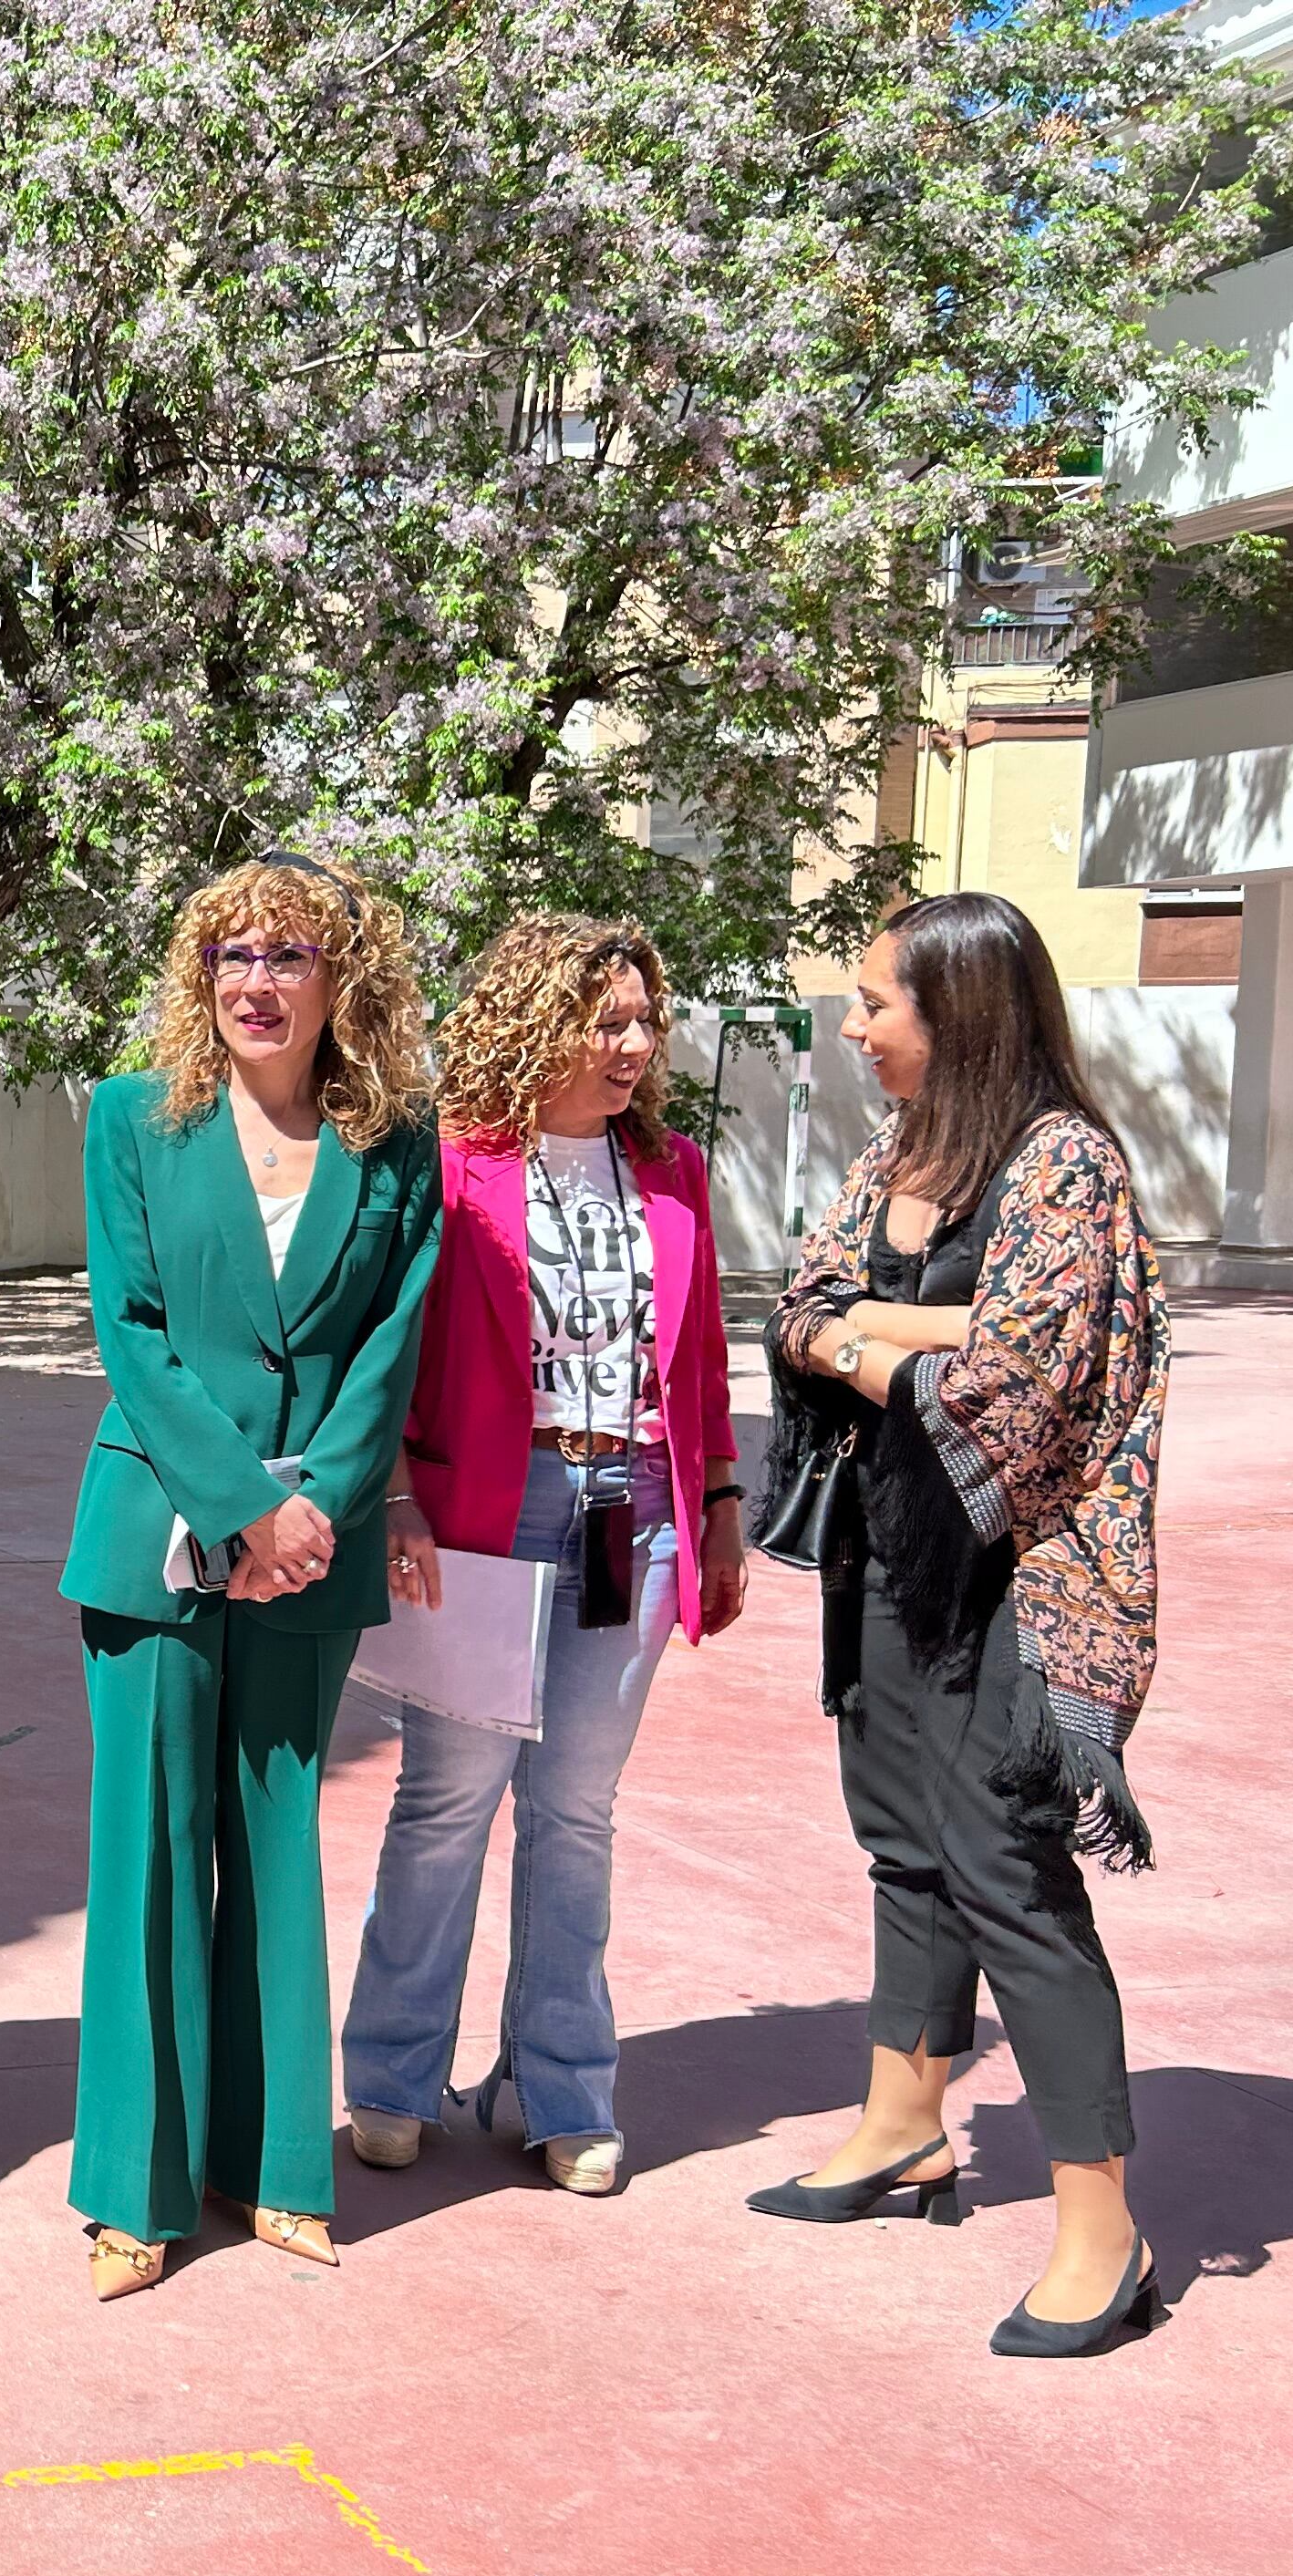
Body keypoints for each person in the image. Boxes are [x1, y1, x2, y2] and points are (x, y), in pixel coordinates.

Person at [758, 892, 1171, 2359]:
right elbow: (799, 1300)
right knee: (902, 1837)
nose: (857, 1026)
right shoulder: (901, 1151)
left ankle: (1101, 2230)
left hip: (1033, 1571)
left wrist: (879, 1338)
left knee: (1006, 1860)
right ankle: (904, 2127)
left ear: (963, 1013)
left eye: (880, 1003)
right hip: (895, 1546)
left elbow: (1028, 1380)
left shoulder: (1065, 1165)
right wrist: (895, 1330)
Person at [59, 852, 440, 2299]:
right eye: (230, 957)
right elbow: (132, 1330)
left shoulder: (394, 1147)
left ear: (343, 978)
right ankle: (133, 2192)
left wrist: (316, 1511)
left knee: (276, 1847)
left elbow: (390, 1344)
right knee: (151, 1854)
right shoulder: (129, 1122)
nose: (256, 983)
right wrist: (239, 1509)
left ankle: (276, 2163)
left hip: (314, 1554)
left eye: (287, 956)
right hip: (156, 1537)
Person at [340, 916, 747, 2196]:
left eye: (643, 1022)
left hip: (634, 1505)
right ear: (533, 1022)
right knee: (447, 1802)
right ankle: (393, 2080)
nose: (633, 1046)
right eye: (607, 1020)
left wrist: (722, 1501)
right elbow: (385, 1344)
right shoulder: (451, 1165)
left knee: (575, 1812)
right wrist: (394, 1491)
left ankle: (562, 2091)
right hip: (483, 1511)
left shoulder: (674, 1168)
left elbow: (704, 1360)